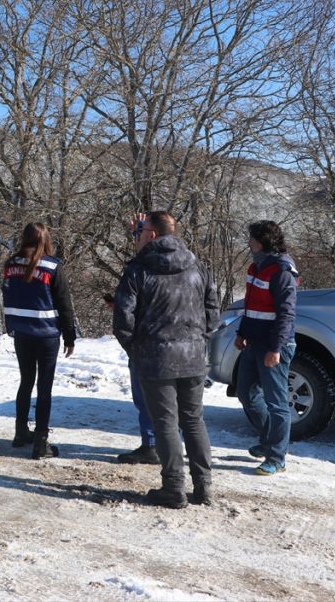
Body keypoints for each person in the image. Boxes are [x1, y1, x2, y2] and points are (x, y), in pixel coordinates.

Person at [113, 211, 219, 508]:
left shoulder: (139, 269)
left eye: (140, 231)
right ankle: (203, 486)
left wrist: (136, 348)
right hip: (194, 356)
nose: (137, 235)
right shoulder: (198, 267)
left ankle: (174, 487)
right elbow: (213, 311)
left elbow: (123, 316)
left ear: (152, 234)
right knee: (194, 421)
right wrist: (200, 339)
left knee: (166, 423)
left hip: (156, 358)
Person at [1, 222, 76, 460]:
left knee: (26, 381)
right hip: (46, 334)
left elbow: (8, 296)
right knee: (44, 387)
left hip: (21, 332)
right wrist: (69, 335)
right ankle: (41, 442)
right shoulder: (52, 266)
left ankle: (20, 432)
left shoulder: (11, 264)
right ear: (45, 239)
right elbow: (64, 303)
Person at [234, 220, 299, 476]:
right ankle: (270, 440)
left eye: (251, 239)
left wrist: (276, 348)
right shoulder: (257, 267)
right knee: (246, 394)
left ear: (260, 243)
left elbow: (286, 313)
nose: (248, 243)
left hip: (274, 347)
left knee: (277, 403)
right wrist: (241, 332)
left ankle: (277, 457)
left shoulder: (282, 271)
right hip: (253, 343)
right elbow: (252, 306)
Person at [105, 290, 159, 465]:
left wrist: (131, 345)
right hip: (182, 347)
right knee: (172, 400)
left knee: (145, 398)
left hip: (145, 345)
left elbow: (126, 315)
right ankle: (169, 445)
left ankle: (152, 446)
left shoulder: (139, 272)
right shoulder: (192, 271)